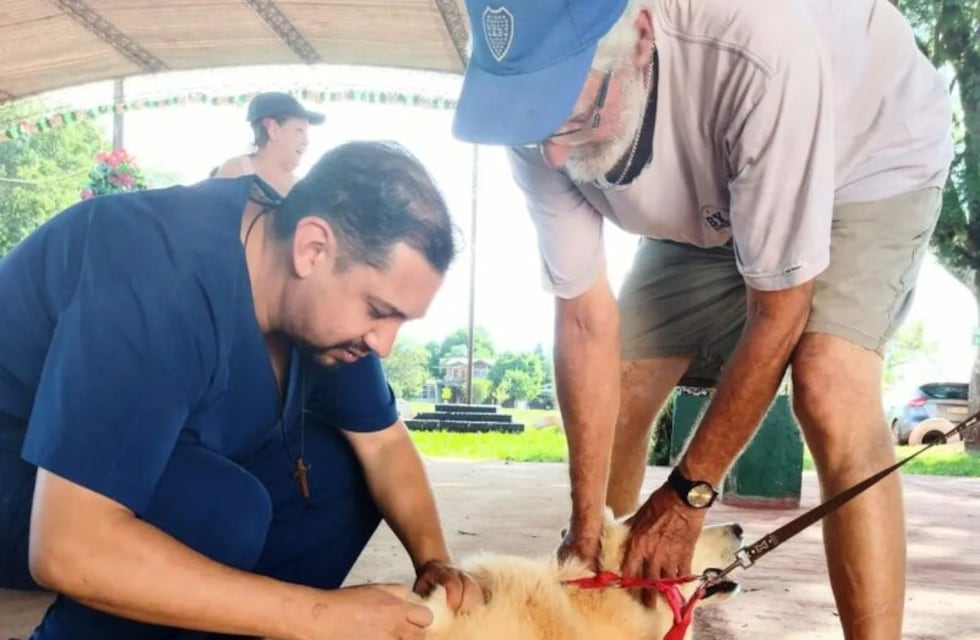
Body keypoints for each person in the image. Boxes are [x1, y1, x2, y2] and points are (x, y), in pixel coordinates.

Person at [451, 1, 952, 638]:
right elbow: (583, 321)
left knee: (830, 385)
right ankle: (617, 613)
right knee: (621, 382)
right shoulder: (537, 119)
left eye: (572, 117)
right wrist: (586, 522)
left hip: (862, 162)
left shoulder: (754, 43)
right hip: (712, 191)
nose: (551, 153)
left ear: (638, 38)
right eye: (532, 123)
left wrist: (691, 493)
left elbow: (778, 311)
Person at [0, 141, 482, 640]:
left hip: (116, 472)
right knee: (223, 509)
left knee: (340, 472)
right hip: (26, 481)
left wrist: (435, 560)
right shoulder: (159, 270)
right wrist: (316, 615)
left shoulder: (330, 318)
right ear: (312, 248)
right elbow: (68, 546)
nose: (384, 343)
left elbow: (382, 445)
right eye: (380, 312)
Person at [214, 91, 325, 195]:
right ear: (273, 129)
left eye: (306, 132)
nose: (306, 141)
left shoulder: (299, 187)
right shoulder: (236, 171)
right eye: (299, 130)